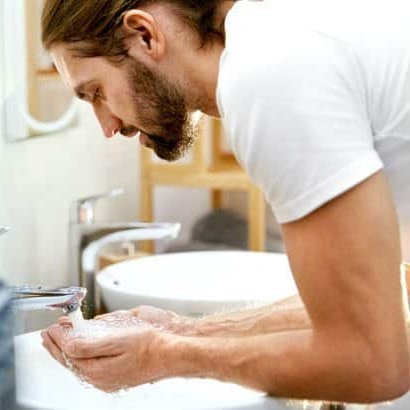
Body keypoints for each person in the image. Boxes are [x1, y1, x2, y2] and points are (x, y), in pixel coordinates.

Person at [39, 0, 410, 403]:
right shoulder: (281, 37)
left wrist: (161, 355)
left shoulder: (266, 75)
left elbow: (371, 362)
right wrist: (179, 330)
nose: (107, 126)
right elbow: (389, 301)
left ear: (145, 34)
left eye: (97, 92)